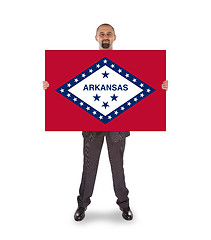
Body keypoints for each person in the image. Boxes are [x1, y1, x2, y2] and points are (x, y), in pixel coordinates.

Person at [43, 23, 168, 221]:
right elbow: (65, 83)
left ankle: (124, 204)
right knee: (89, 165)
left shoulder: (127, 62)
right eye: (102, 34)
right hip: (91, 124)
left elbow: (145, 83)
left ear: (115, 37)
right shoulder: (83, 63)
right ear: (96, 38)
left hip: (118, 125)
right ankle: (82, 205)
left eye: (108, 33)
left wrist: (159, 86)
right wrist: (51, 86)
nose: (105, 36)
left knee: (117, 165)